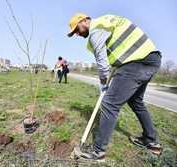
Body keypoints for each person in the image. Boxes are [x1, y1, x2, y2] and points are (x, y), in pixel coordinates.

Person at [67, 13, 162, 162]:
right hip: (151, 58)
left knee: (109, 103)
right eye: (75, 33)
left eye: (77, 30)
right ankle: (152, 141)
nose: (77, 34)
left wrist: (104, 84)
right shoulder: (106, 21)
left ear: (85, 20)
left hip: (135, 62)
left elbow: (102, 63)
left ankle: (98, 152)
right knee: (136, 101)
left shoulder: (95, 31)